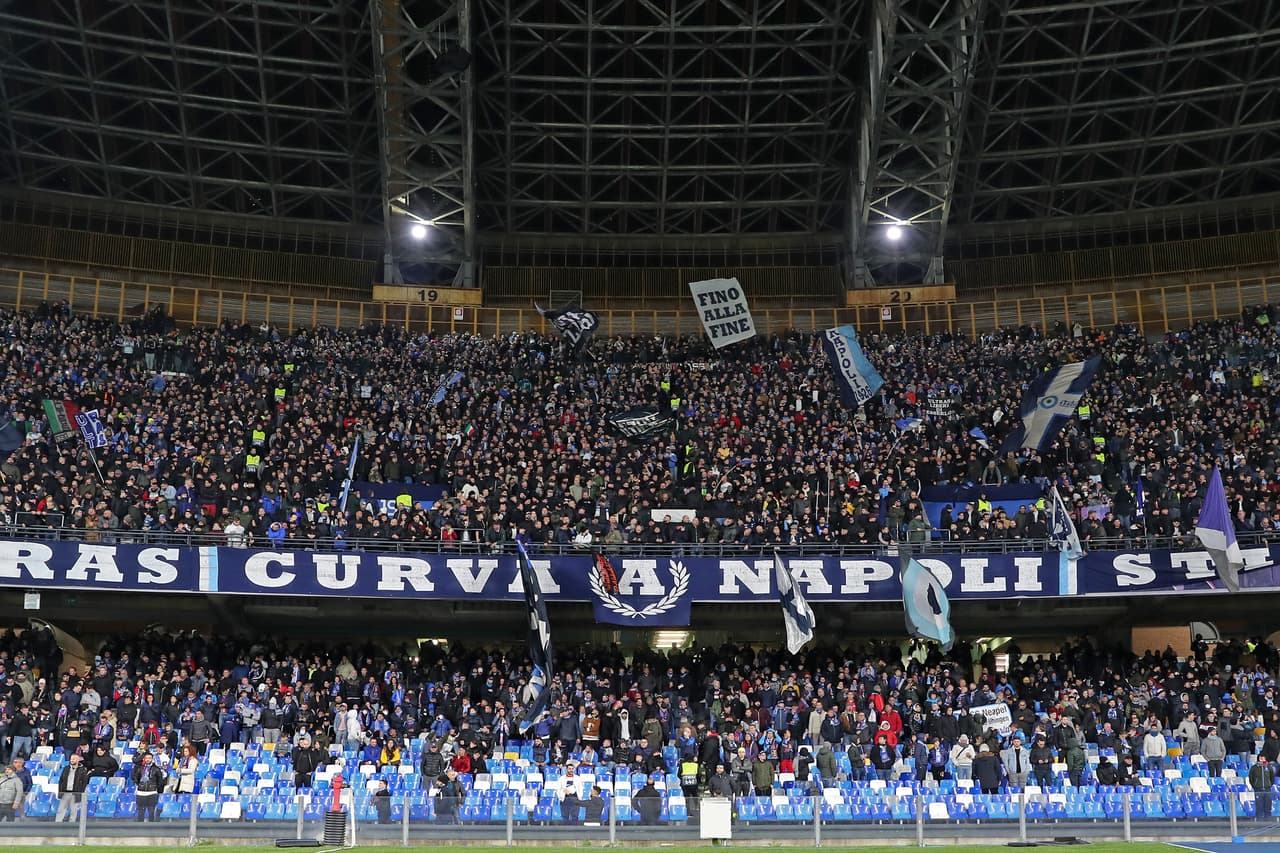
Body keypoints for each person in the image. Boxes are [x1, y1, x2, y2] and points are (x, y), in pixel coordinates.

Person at [132, 751, 166, 822]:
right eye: (146, 758)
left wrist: (155, 787)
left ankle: (151, 828)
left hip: (152, 792)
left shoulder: (156, 769)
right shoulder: (140, 768)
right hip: (141, 792)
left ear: (152, 759)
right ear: (144, 759)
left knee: (151, 811)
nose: (148, 759)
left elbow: (160, 780)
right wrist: (140, 785)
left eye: (149, 758)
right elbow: (136, 778)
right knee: (140, 811)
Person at [55, 751, 90, 823]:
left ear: (78, 760)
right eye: (71, 759)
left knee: (73, 811)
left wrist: (80, 792)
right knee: (60, 810)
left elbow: (84, 782)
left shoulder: (82, 770)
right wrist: (60, 791)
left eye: (74, 759)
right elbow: (61, 780)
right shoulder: (66, 768)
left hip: (75, 793)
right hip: (65, 792)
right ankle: (57, 823)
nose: (72, 760)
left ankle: (72, 825)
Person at [1250, 754, 1276, 819]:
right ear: (1258, 758)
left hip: (1267, 789)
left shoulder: (1269, 767)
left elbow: (1272, 778)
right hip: (1258, 790)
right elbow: (1251, 778)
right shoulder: (1254, 768)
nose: (1262, 759)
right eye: (1260, 758)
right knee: (1259, 806)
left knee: (1268, 806)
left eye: (1263, 758)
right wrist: (1255, 786)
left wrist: (1269, 785)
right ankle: (1259, 821)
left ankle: (1268, 821)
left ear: (1265, 759)